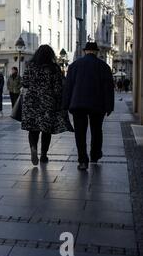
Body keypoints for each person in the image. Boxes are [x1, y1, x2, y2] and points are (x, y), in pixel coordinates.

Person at [63, 42, 114, 171]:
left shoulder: (74, 66)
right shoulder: (104, 66)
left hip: (78, 104)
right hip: (98, 104)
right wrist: (109, 106)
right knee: (97, 130)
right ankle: (95, 155)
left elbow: (68, 87)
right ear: (96, 52)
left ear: (85, 51)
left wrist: (65, 104)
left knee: (80, 133)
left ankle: (82, 161)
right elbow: (109, 88)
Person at [22, 45, 69, 166]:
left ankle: (33, 147)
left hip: (31, 102)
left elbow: (25, 83)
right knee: (46, 130)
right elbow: (58, 88)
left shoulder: (30, 67)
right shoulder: (54, 68)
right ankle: (43, 155)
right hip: (48, 102)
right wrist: (60, 102)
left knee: (33, 128)